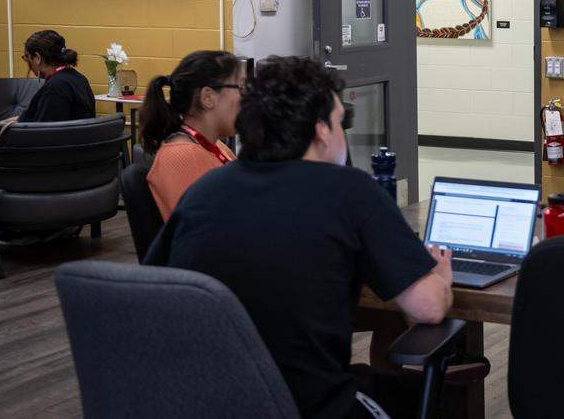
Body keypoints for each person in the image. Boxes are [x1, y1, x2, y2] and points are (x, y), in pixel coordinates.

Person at [146, 56, 452, 419]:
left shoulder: (205, 190)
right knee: (430, 398)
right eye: (341, 123)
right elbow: (427, 308)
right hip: (309, 403)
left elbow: (154, 296)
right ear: (322, 130)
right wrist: (441, 278)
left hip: (204, 400)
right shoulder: (350, 191)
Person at [139, 50, 242, 220]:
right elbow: (211, 231)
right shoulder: (183, 156)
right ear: (208, 97)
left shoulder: (215, 146)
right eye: (241, 88)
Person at [0, 30, 95, 139]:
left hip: (57, 152)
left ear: (37, 58)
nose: (27, 62)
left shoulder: (55, 87)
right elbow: (33, 115)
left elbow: (43, 133)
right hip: (79, 149)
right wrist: (3, 123)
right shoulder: (77, 78)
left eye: (27, 57)